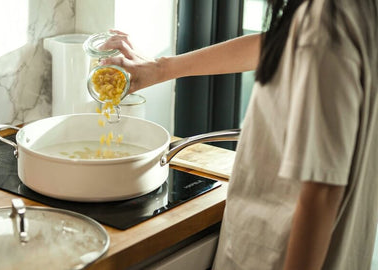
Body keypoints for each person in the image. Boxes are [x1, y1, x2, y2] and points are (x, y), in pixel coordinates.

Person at [100, 0, 378, 269]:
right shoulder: (345, 12)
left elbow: (322, 192)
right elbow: (280, 43)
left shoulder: (325, 24)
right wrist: (161, 68)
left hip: (279, 251)